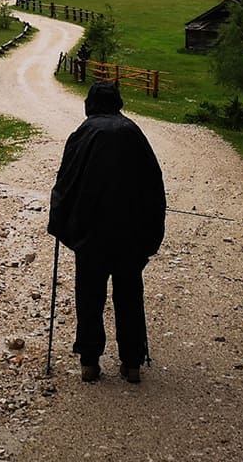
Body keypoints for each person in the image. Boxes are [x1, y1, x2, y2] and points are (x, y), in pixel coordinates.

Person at [47, 80, 166, 384]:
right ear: (118, 102)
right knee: (129, 294)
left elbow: (65, 183)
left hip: (91, 234)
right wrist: (151, 233)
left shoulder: (83, 134)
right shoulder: (133, 133)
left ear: (90, 103)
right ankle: (132, 362)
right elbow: (154, 186)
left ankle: (89, 361)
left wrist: (60, 222)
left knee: (90, 295)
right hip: (131, 234)